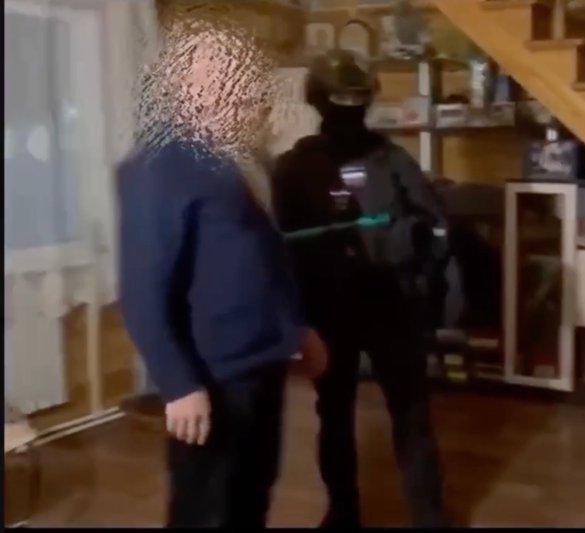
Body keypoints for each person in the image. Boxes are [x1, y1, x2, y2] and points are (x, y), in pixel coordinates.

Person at [117, 22, 326, 528]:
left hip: (261, 366)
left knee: (252, 499)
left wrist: (298, 329)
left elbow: (267, 260)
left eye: (249, 76)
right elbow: (141, 292)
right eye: (231, 77)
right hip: (211, 378)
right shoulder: (162, 166)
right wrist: (178, 384)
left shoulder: (245, 160)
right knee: (206, 511)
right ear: (185, 90)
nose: (251, 89)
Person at [271, 49, 448, 528]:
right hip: (338, 311)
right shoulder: (297, 167)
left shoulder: (385, 160)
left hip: (384, 306)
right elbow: (281, 249)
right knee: (355, 413)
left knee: (396, 412)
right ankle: (350, 514)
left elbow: (435, 232)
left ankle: (416, 517)